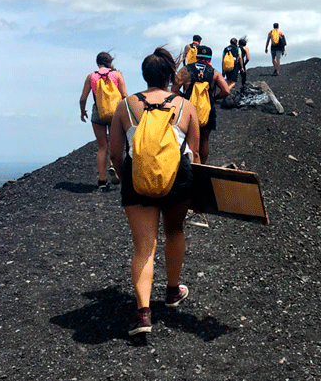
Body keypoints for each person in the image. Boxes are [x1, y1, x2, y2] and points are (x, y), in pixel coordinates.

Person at [109, 47, 201, 336]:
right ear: (170, 77)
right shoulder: (185, 106)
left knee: (143, 246)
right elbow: (195, 154)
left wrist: (128, 177)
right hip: (178, 178)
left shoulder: (125, 106)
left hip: (137, 178)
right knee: (174, 231)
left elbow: (115, 154)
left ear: (144, 75)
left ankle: (143, 313)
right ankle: (172, 291)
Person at [173, 45, 234, 165]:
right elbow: (226, 90)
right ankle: (201, 165)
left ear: (197, 56)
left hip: (188, 109)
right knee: (204, 139)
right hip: (207, 109)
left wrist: (184, 98)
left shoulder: (186, 69)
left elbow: (174, 88)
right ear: (210, 59)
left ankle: (187, 164)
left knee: (185, 137)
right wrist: (215, 97)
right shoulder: (214, 73)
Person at [79, 52, 128, 192]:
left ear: (97, 62)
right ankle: (113, 166)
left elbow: (83, 98)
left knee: (102, 147)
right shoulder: (117, 75)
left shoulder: (91, 76)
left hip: (98, 112)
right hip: (115, 112)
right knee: (115, 144)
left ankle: (102, 181)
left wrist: (83, 112)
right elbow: (124, 95)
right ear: (110, 62)